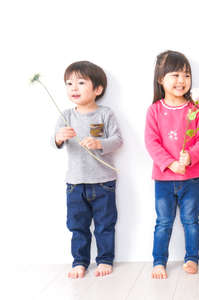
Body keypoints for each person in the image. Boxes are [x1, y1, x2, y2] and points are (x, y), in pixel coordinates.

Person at [54, 61, 122, 279]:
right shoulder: (66, 115)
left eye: (81, 82)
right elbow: (56, 140)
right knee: (77, 226)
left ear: (98, 89)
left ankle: (104, 260)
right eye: (69, 83)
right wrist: (59, 137)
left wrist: (99, 143)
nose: (74, 88)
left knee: (104, 225)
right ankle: (80, 261)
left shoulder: (105, 114)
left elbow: (117, 140)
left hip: (103, 181)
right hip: (75, 182)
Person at [145, 50, 199, 279]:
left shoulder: (196, 110)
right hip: (163, 179)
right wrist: (170, 163)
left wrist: (190, 157)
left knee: (191, 220)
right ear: (161, 79)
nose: (182, 81)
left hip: (190, 179)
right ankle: (159, 261)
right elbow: (151, 143)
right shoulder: (155, 110)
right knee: (163, 222)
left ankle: (192, 259)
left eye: (186, 75)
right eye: (175, 75)